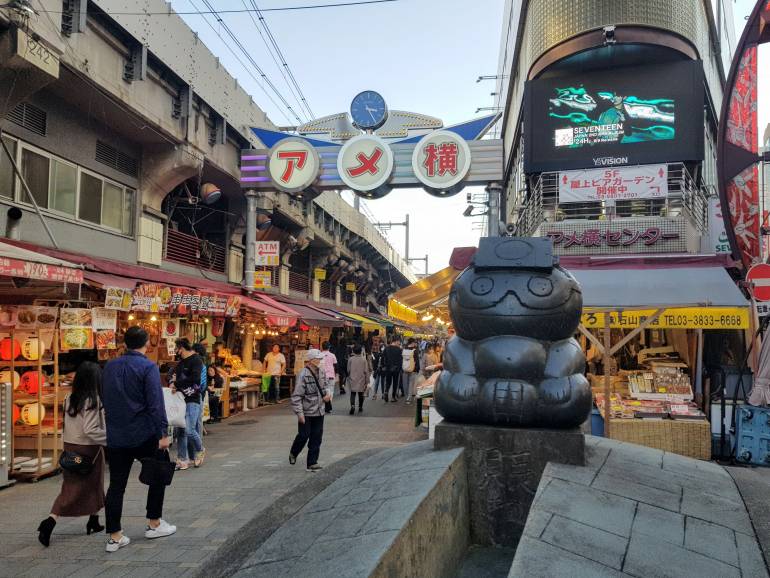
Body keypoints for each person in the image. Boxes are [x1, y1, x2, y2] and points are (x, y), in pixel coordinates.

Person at [102, 326, 175, 553]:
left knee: (116, 485)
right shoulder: (148, 367)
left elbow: (104, 397)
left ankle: (115, 536)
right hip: (144, 433)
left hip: (116, 434)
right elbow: (155, 403)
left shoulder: (109, 366)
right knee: (158, 474)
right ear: (146, 344)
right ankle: (153, 523)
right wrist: (162, 434)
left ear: (124, 343)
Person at [38, 361, 106, 547]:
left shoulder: (69, 397)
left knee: (71, 487)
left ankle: (88, 520)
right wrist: (109, 439)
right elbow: (90, 429)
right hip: (89, 448)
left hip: (70, 446)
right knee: (93, 484)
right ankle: (89, 520)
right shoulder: (93, 400)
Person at [289, 349, 331, 472]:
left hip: (319, 410)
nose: (320, 361)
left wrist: (327, 394)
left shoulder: (322, 372)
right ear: (312, 360)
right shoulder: (303, 374)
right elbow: (296, 396)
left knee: (317, 436)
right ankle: (294, 452)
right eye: (318, 359)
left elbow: (326, 386)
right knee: (304, 435)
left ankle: (312, 462)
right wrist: (299, 413)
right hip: (306, 411)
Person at [170, 338, 205, 470]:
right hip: (180, 399)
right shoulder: (181, 363)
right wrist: (172, 382)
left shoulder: (196, 360)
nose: (177, 352)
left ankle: (200, 449)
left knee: (190, 430)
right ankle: (182, 459)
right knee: (181, 430)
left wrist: (177, 383)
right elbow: (172, 374)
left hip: (193, 399)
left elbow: (195, 379)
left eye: (177, 349)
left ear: (182, 348)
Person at [347, 344, 371, 415]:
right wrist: (368, 381)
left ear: (353, 351)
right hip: (361, 379)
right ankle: (360, 407)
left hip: (352, 378)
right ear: (361, 351)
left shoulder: (350, 359)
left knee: (353, 393)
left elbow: (348, 370)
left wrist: (349, 375)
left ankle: (352, 406)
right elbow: (366, 371)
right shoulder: (364, 360)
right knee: (361, 394)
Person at [383, 337, 403, 403]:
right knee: (395, 383)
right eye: (399, 342)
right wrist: (400, 368)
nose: (399, 343)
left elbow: (383, 357)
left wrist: (384, 365)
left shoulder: (386, 348)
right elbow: (400, 360)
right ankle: (393, 397)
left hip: (388, 368)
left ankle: (386, 391)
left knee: (388, 382)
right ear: (396, 341)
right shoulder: (399, 349)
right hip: (396, 369)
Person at [401, 338, 421, 404]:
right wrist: (417, 369)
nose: (415, 343)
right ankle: (409, 398)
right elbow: (416, 361)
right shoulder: (415, 350)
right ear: (412, 342)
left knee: (405, 383)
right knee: (410, 383)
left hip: (405, 368)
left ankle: (406, 395)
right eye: (414, 342)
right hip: (412, 368)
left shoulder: (404, 349)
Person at [320, 341, 338, 407]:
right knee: (331, 389)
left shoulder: (320, 355)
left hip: (321, 375)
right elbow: (336, 366)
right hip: (331, 375)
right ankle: (329, 404)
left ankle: (324, 405)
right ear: (329, 347)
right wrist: (336, 373)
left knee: (323, 389)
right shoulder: (332, 355)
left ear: (322, 347)